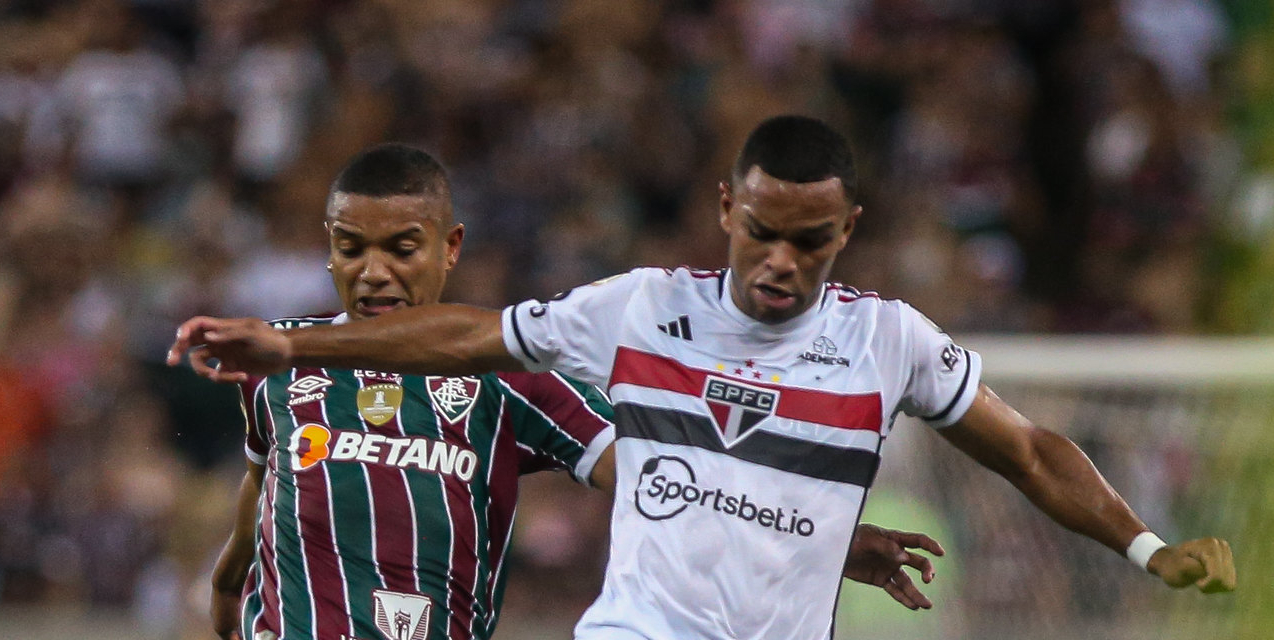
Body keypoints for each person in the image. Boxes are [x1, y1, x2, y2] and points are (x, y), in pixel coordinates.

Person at [170, 117, 1236, 640]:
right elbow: (468, 338)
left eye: (809, 242)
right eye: (761, 231)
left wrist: (1142, 545)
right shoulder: (639, 307)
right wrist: (293, 346)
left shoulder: (890, 340)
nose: (779, 262)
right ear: (727, 208)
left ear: (846, 231)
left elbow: (1028, 449)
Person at [204, 142, 947, 640]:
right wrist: (225, 589)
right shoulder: (281, 363)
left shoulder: (510, 377)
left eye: (402, 248)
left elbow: (667, 485)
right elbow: (263, 481)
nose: (374, 272)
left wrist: (828, 541)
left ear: (449, 247)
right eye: (350, 247)